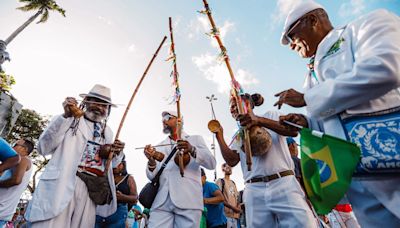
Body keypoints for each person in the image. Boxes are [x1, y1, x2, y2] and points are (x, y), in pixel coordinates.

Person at [276, 1, 400, 227]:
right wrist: (305, 122)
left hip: (393, 165)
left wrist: (307, 98)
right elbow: (331, 122)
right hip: (356, 181)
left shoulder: (364, 26)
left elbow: (386, 68)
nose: (292, 45)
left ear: (312, 20)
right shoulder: (310, 75)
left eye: (292, 36)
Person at [26, 84, 125, 228]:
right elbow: (43, 148)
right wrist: (65, 116)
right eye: (96, 102)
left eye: (104, 105)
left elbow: (113, 165)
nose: (99, 107)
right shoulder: (68, 119)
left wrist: (117, 152)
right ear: (85, 102)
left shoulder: (108, 132)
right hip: (63, 182)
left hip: (91, 189)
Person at [213, 93, 317, 227]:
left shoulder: (270, 115)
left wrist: (258, 121)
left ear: (248, 104)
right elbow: (232, 161)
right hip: (254, 190)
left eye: (234, 105)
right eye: (230, 107)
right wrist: (219, 135)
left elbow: (292, 131)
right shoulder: (238, 136)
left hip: (283, 183)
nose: (232, 109)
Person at [144, 110, 216, 228]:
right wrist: (151, 161)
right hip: (161, 202)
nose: (163, 120)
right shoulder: (159, 146)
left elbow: (211, 163)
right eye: (162, 118)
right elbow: (152, 176)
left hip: (188, 200)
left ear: (179, 120)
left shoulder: (195, 139)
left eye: (168, 117)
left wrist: (192, 149)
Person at [95, 157, 138, 228]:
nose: (116, 167)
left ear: (123, 165)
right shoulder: (105, 175)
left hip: (119, 212)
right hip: (101, 210)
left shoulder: (129, 179)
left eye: (119, 164)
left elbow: (135, 198)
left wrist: (122, 197)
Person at [0, 139, 34, 227]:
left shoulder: (23, 159)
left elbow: (16, 180)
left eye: (15, 144)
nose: (11, 146)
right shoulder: (12, 162)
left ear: (24, 149)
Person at [216, 163, 241, 228]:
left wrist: (238, 207)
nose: (230, 169)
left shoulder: (233, 183)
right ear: (223, 169)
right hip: (225, 216)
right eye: (227, 167)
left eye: (231, 168)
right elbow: (219, 198)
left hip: (235, 216)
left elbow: (237, 198)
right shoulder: (220, 181)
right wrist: (233, 208)